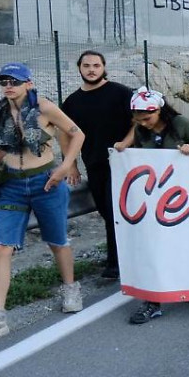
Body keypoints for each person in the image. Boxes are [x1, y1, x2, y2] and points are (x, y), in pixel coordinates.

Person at [0, 63, 86, 340]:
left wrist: (66, 166)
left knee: (57, 241)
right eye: (4, 81)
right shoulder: (1, 111)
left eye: (14, 81)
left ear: (28, 83)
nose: (9, 86)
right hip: (12, 186)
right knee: (0, 249)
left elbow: (77, 133)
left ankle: (70, 288)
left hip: (46, 182)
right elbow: (5, 145)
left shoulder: (44, 107)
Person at [113, 87, 189, 325]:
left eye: (147, 118)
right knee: (153, 247)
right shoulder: (141, 128)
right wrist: (122, 147)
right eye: (138, 119)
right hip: (152, 197)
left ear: (159, 111)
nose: (144, 123)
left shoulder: (180, 123)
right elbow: (130, 142)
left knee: (183, 242)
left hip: (182, 196)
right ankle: (152, 301)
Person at [61, 50, 132, 279]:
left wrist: (125, 143)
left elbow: (139, 122)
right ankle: (123, 253)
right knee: (105, 211)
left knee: (114, 210)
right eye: (86, 66)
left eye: (96, 65)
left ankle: (115, 263)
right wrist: (70, 164)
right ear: (79, 68)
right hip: (93, 163)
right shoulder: (72, 102)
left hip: (122, 162)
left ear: (104, 67)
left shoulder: (121, 93)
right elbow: (63, 134)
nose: (91, 69)